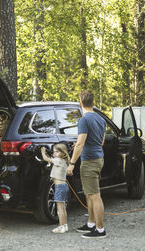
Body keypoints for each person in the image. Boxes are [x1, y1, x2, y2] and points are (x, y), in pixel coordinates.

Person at [66, 90, 107, 239]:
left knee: (95, 196)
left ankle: (100, 229)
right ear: (93, 103)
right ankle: (91, 224)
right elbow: (100, 142)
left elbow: (80, 144)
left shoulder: (84, 120)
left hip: (89, 161)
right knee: (89, 194)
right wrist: (80, 144)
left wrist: (71, 164)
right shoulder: (101, 119)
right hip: (98, 158)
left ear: (80, 103)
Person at [41, 144, 71, 233]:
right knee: (63, 207)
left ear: (63, 153)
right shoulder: (63, 160)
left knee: (60, 208)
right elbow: (50, 159)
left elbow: (46, 159)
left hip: (59, 187)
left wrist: (43, 152)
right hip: (63, 186)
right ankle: (64, 225)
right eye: (54, 152)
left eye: (57, 152)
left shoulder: (58, 160)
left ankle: (61, 226)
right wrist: (47, 153)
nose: (54, 153)